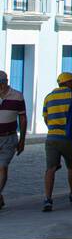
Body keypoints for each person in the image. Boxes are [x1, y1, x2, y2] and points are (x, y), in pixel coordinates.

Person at [42, 72, 72, 212]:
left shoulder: (48, 97)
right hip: (68, 137)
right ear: (66, 83)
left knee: (50, 169)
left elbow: (45, 118)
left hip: (51, 137)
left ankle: (48, 199)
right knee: (71, 166)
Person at [0, 70, 27, 210]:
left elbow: (22, 118)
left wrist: (22, 139)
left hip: (8, 137)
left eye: (1, 84)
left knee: (2, 167)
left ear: (6, 83)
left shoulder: (17, 96)